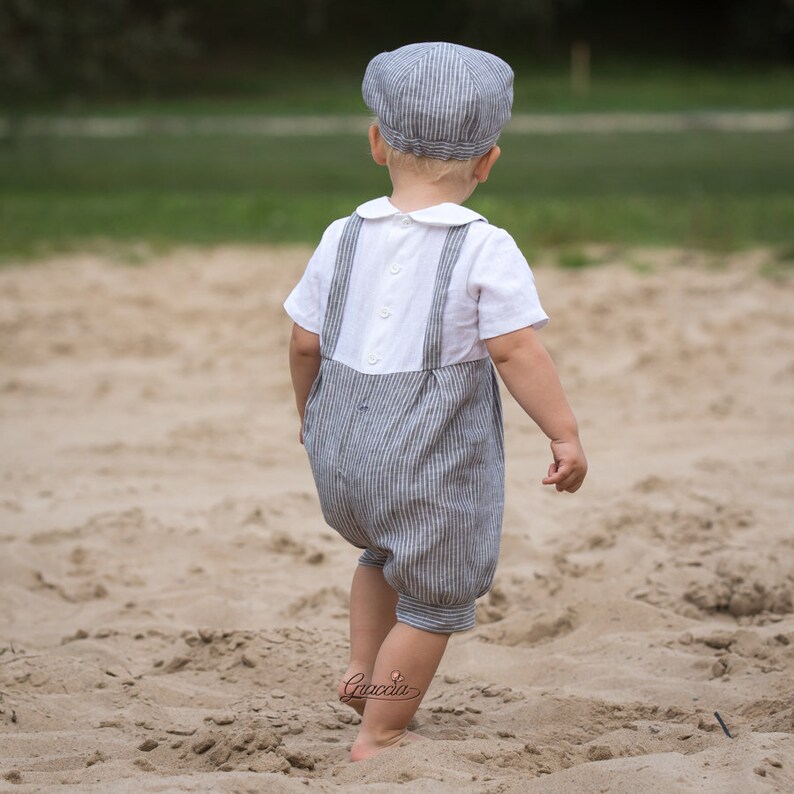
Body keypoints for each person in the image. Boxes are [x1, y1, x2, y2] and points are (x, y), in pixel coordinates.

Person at [284, 41, 587, 762]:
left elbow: (303, 343)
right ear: (488, 161)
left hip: (342, 453)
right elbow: (517, 351)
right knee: (437, 598)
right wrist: (564, 432)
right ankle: (381, 725)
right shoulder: (487, 248)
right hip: (429, 461)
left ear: (377, 141)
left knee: (379, 554)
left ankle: (364, 672)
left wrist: (310, 418)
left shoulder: (342, 235)